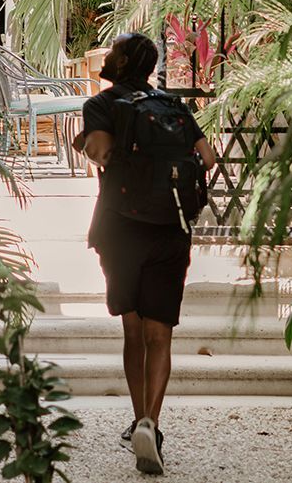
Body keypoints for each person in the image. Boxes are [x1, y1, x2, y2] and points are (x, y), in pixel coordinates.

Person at [74, 32, 217, 476]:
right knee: (162, 335)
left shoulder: (103, 104)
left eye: (114, 50)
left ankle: (139, 419)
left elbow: (99, 151)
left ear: (122, 61)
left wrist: (92, 147)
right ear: (151, 66)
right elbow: (208, 158)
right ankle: (151, 424)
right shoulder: (173, 106)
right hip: (171, 229)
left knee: (133, 332)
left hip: (120, 228)